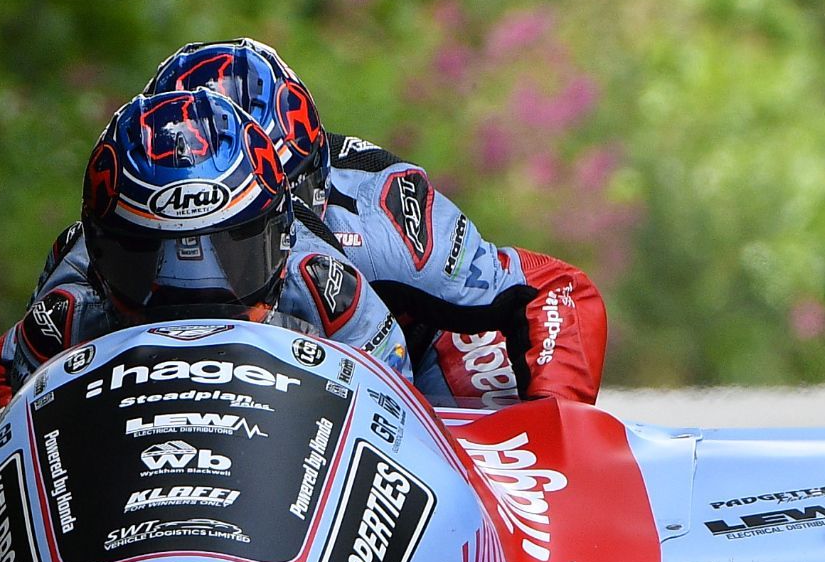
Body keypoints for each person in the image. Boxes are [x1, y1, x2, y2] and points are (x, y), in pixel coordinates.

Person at [46, 37, 608, 410]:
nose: (210, 245)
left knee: (484, 400)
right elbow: (0, 379)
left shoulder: (386, 223)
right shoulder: (101, 241)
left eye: (257, 209)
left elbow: (552, 288)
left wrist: (554, 431)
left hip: (407, 370)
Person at [0, 89, 405, 455]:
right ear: (100, 252)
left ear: (280, 233)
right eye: (145, 254)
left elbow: (397, 398)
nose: (194, 289)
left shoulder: (323, 285)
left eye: (232, 250)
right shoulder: (71, 307)